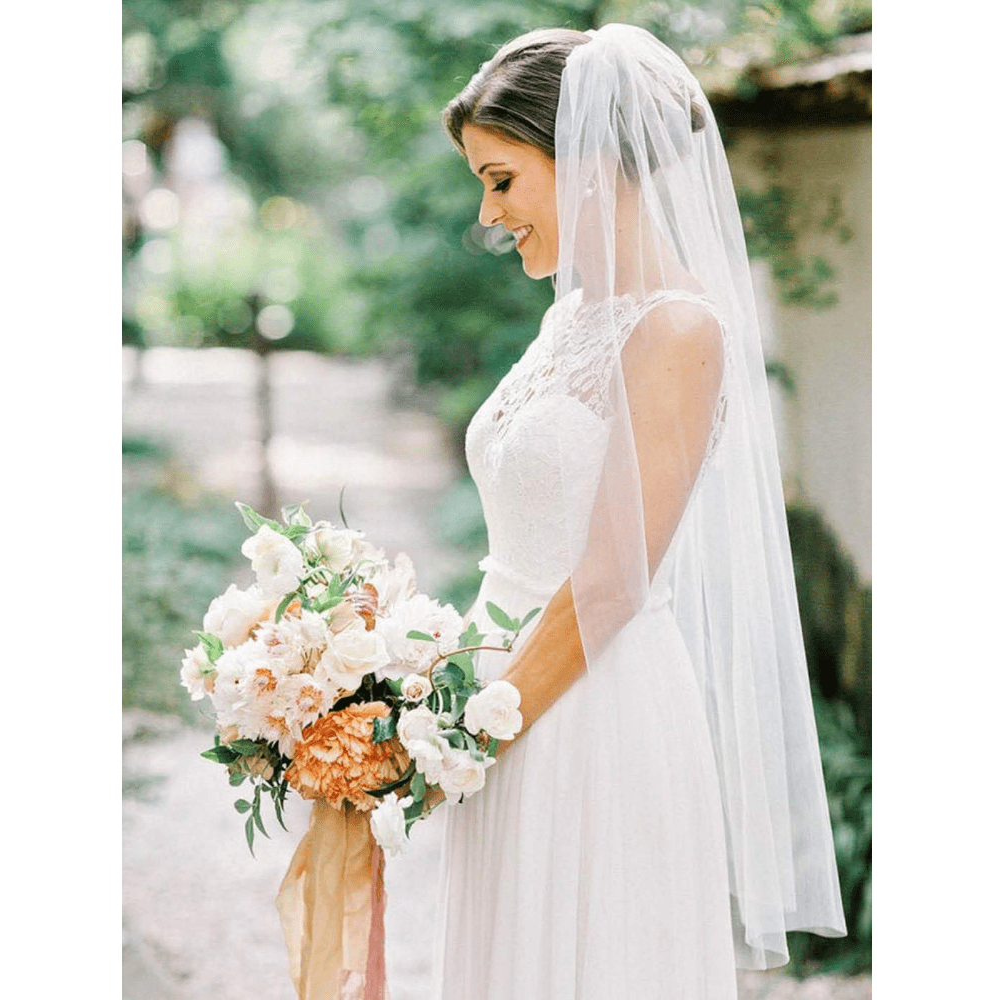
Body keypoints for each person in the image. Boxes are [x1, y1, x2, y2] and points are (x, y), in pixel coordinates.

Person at [431, 24, 846, 999]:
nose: (489, 214)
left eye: (500, 179)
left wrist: (458, 735)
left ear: (579, 160)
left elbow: (612, 578)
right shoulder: (567, 317)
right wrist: (434, 682)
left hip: (588, 713)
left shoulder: (676, 328)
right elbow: (528, 542)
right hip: (510, 691)